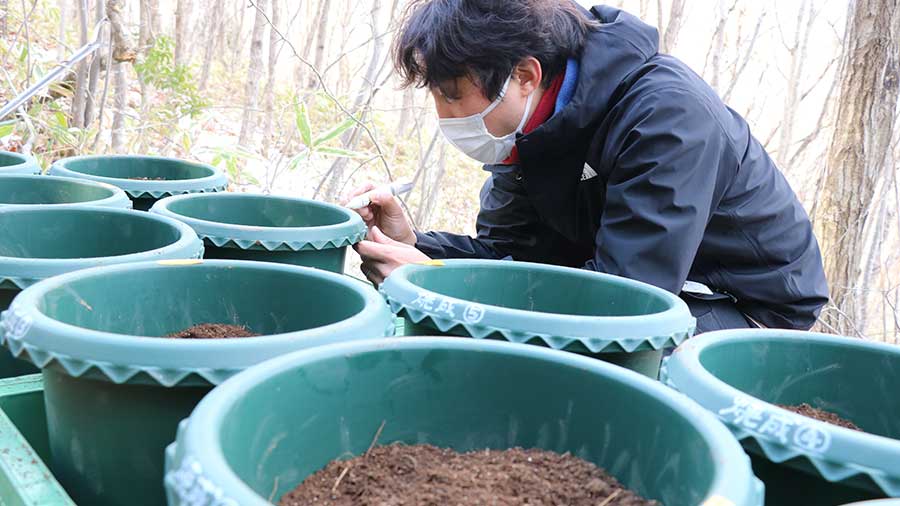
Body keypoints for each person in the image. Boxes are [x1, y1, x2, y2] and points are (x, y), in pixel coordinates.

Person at [346, 0, 829, 333]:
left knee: (601, 357)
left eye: (453, 96)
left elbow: (625, 307)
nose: (445, 117)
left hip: (745, 308)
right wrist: (416, 247)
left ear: (524, 75)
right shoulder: (527, 131)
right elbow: (510, 257)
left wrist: (435, 281)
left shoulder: (666, 118)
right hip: (630, 282)